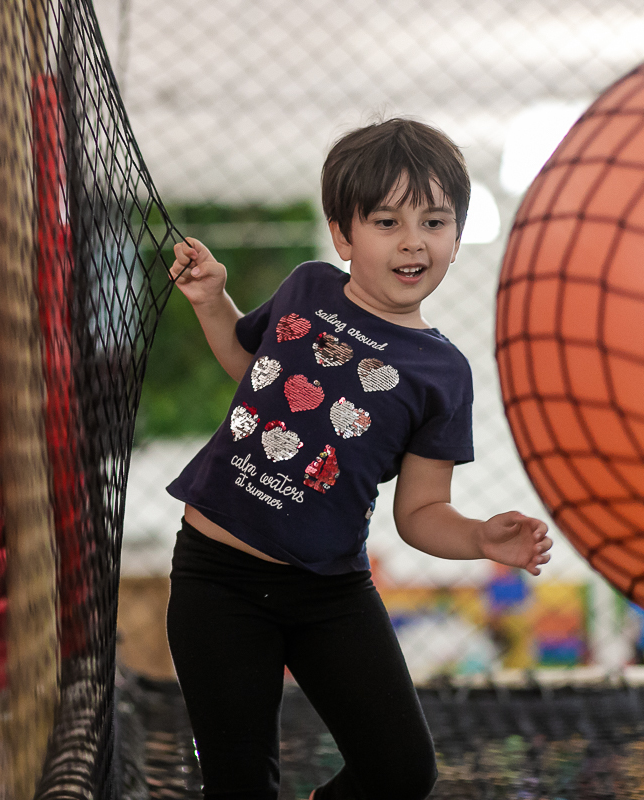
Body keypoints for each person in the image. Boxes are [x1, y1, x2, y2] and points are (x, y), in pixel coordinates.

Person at [163, 117, 553, 800]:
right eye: (386, 222)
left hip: (329, 593)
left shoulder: (443, 373)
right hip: (217, 578)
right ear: (343, 236)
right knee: (239, 782)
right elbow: (252, 368)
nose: (413, 240)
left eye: (434, 222)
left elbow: (422, 511)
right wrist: (212, 299)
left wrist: (480, 538)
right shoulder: (308, 287)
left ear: (457, 237)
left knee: (402, 771)